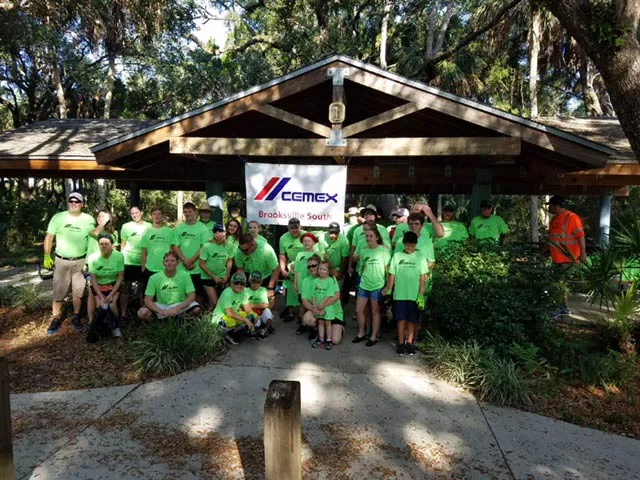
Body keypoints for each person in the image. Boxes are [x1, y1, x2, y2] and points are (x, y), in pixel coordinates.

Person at [43, 192, 102, 334]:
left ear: (82, 204)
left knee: (78, 292)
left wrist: (90, 261)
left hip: (80, 262)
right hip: (61, 261)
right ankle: (55, 319)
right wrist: (46, 255)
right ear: (68, 202)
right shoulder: (58, 217)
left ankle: (76, 317)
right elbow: (49, 237)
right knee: (58, 292)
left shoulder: (89, 219)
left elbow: (92, 239)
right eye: (71, 201)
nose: (74, 203)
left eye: (77, 201)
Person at [385, 231, 429, 356]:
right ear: (404, 244)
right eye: (408, 245)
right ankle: (401, 343)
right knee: (401, 319)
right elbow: (392, 274)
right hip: (400, 294)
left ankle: (409, 343)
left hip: (414, 295)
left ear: (416, 244)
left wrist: (421, 294)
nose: (410, 248)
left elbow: (423, 277)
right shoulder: (397, 256)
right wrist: (389, 290)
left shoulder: (420, 257)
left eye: (412, 245)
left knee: (412, 320)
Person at [546, 196, 587, 315]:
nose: (549, 208)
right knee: (557, 284)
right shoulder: (554, 220)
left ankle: (562, 308)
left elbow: (581, 237)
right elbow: (551, 238)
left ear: (556, 206)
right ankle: (561, 307)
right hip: (556, 259)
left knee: (561, 284)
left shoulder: (572, 217)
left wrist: (583, 255)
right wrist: (542, 252)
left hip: (568, 259)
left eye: (550, 205)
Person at [352, 227, 391, 347]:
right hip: (364, 285)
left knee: (375, 312)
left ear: (377, 237)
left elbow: (388, 271)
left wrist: (387, 287)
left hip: (377, 286)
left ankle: (373, 336)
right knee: (359, 310)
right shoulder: (364, 251)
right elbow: (362, 267)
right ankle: (361, 333)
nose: (369, 238)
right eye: (367, 236)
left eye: (371, 236)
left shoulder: (384, 251)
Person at [137, 251, 201, 320]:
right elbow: (147, 300)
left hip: (179, 304)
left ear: (178, 263)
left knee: (196, 309)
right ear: (163, 263)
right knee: (142, 312)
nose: (169, 263)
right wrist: (161, 311)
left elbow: (191, 296)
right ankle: (159, 321)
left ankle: (179, 318)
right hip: (162, 305)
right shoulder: (154, 278)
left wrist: (177, 308)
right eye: (167, 261)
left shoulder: (185, 275)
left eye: (172, 261)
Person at [172, 201, 212, 305]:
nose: (187, 214)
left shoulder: (202, 228)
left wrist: (192, 261)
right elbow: (175, 246)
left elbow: (205, 247)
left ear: (195, 212)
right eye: (185, 212)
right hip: (182, 268)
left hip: (197, 268)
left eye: (190, 211)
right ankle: (182, 312)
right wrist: (185, 260)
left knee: (198, 293)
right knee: (182, 292)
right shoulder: (179, 228)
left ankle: (198, 312)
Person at [87, 234, 125, 337]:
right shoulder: (93, 257)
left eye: (106, 244)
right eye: (101, 244)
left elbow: (120, 277)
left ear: (112, 245)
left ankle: (116, 326)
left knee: (112, 305)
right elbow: (93, 280)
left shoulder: (119, 256)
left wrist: (111, 294)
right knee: (100, 306)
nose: (104, 246)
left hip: (113, 284)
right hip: (98, 286)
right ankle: (99, 327)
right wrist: (100, 296)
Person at [119, 205, 151, 319]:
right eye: (132, 213)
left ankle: (143, 313)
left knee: (143, 288)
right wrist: (121, 260)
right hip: (128, 261)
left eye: (136, 212)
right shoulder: (126, 226)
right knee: (126, 288)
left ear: (141, 212)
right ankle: (123, 313)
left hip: (144, 262)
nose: (134, 215)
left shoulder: (149, 226)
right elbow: (123, 245)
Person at [305, 260, 343, 350]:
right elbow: (312, 295)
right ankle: (321, 339)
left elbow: (332, 295)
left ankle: (329, 339)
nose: (321, 271)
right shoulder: (314, 281)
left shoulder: (331, 280)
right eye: (320, 269)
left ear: (328, 270)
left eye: (324, 269)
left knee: (329, 326)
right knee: (321, 322)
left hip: (329, 308)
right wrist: (315, 306)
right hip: (318, 307)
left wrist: (322, 305)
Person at [211, 272, 257, 344]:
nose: (239, 285)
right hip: (219, 317)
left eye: (242, 283)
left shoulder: (243, 292)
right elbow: (229, 313)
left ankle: (237, 331)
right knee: (230, 321)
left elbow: (247, 309)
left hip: (233, 315)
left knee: (252, 315)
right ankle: (227, 334)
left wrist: (253, 317)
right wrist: (246, 320)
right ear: (231, 283)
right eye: (236, 283)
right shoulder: (227, 293)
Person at [235, 233, 280, 299]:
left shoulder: (266, 249)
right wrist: (240, 283)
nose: (243, 252)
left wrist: (270, 288)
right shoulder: (239, 251)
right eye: (241, 249)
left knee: (267, 299)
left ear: (253, 244)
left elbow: (276, 269)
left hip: (266, 277)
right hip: (250, 277)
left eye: (245, 250)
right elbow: (240, 269)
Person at [199, 223, 234, 309]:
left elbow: (229, 261)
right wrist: (213, 276)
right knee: (214, 302)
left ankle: (211, 313)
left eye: (220, 231)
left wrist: (227, 274)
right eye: (215, 231)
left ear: (225, 232)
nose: (217, 233)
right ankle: (208, 314)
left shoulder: (229, 246)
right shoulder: (207, 246)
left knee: (222, 302)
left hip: (222, 277)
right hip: (208, 277)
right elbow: (202, 264)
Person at [279, 218, 307, 322]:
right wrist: (282, 269)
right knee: (289, 288)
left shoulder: (306, 236)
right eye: (292, 228)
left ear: (300, 227)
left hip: (304, 265)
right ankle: (290, 313)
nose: (294, 230)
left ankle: (301, 314)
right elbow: (282, 255)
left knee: (303, 289)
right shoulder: (283, 238)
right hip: (291, 265)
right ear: (288, 228)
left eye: (296, 228)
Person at [293, 232, 321, 334]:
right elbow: (296, 270)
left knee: (314, 301)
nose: (307, 243)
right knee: (302, 304)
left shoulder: (318, 254)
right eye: (305, 241)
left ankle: (315, 324)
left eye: (309, 241)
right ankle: (303, 324)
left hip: (314, 282)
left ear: (313, 242)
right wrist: (295, 283)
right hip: (302, 282)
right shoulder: (299, 255)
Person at [141, 207, 173, 282]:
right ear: (151, 216)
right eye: (154, 214)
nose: (157, 216)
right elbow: (144, 251)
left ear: (163, 216)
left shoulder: (170, 231)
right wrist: (143, 267)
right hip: (149, 268)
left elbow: (172, 250)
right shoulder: (146, 232)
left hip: (165, 268)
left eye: (159, 214)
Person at [246, 271, 275, 337]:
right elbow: (245, 306)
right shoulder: (246, 290)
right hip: (252, 314)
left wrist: (252, 305)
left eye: (258, 281)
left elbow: (266, 305)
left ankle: (266, 328)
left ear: (261, 282)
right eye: (253, 281)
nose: (256, 283)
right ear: (249, 281)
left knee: (267, 311)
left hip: (261, 313)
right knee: (256, 322)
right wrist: (258, 306)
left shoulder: (263, 290)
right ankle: (256, 330)